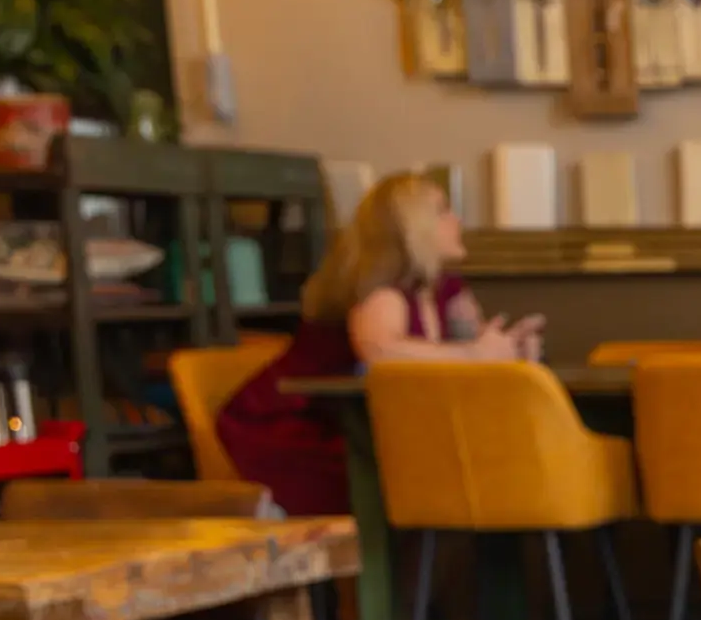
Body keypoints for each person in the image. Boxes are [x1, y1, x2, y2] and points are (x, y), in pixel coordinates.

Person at [217, 171, 543, 516]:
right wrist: (477, 354)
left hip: (361, 425)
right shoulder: (381, 291)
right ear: (412, 227)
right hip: (294, 430)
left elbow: (472, 348)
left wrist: (510, 351)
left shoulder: (445, 290)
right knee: (432, 470)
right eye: (443, 211)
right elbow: (380, 352)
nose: (457, 220)